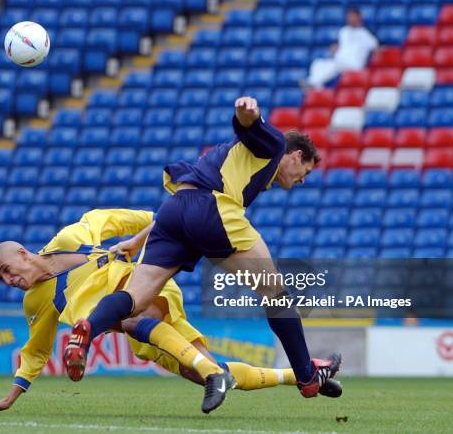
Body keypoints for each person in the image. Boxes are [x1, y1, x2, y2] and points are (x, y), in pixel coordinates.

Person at [64, 96, 342, 407]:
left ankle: (88, 331)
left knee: (135, 299)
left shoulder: (233, 161)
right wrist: (246, 113)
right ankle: (306, 378)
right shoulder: (275, 146)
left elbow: (186, 202)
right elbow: (249, 127)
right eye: (305, 171)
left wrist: (136, 241)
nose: (302, 180)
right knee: (275, 292)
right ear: (296, 155)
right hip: (213, 208)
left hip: (173, 213)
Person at [0, 209, 341, 414]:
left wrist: (148, 236)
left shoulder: (73, 239)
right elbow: (36, 351)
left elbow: (149, 218)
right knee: (208, 371)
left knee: (134, 317)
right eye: (0, 279)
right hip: (146, 336)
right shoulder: (36, 302)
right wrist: (10, 397)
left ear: (23, 253)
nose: (8, 280)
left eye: (6, 270)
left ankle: (94, 335)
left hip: (148, 289)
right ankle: (306, 374)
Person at [302, 7, 378, 89]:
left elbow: (376, 48)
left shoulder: (365, 34)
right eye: (349, 17)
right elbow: (343, 46)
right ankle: (315, 86)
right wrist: (336, 49)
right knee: (317, 63)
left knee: (334, 65)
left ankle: (313, 84)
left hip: (354, 64)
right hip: (340, 60)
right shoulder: (343, 31)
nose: (350, 19)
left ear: (359, 17)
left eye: (353, 16)